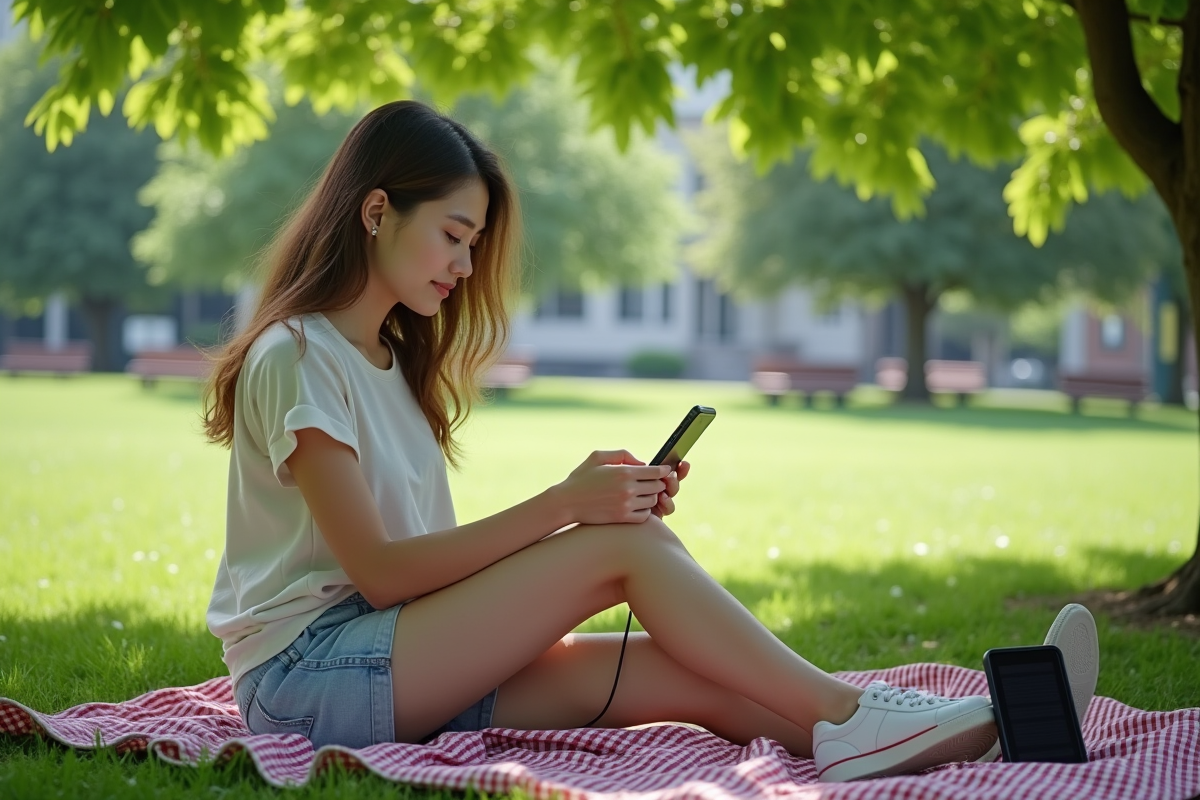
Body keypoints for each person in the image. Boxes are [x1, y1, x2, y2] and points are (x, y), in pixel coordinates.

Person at [203, 100, 1000, 783]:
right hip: (306, 679)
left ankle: (922, 737)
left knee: (686, 673)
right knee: (627, 549)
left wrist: (581, 515)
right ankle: (851, 709)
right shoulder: (298, 357)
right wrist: (565, 509)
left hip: (390, 655)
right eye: (453, 234)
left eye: (473, 242)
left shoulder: (388, 361)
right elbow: (378, 574)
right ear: (377, 212)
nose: (466, 263)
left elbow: (410, 580)